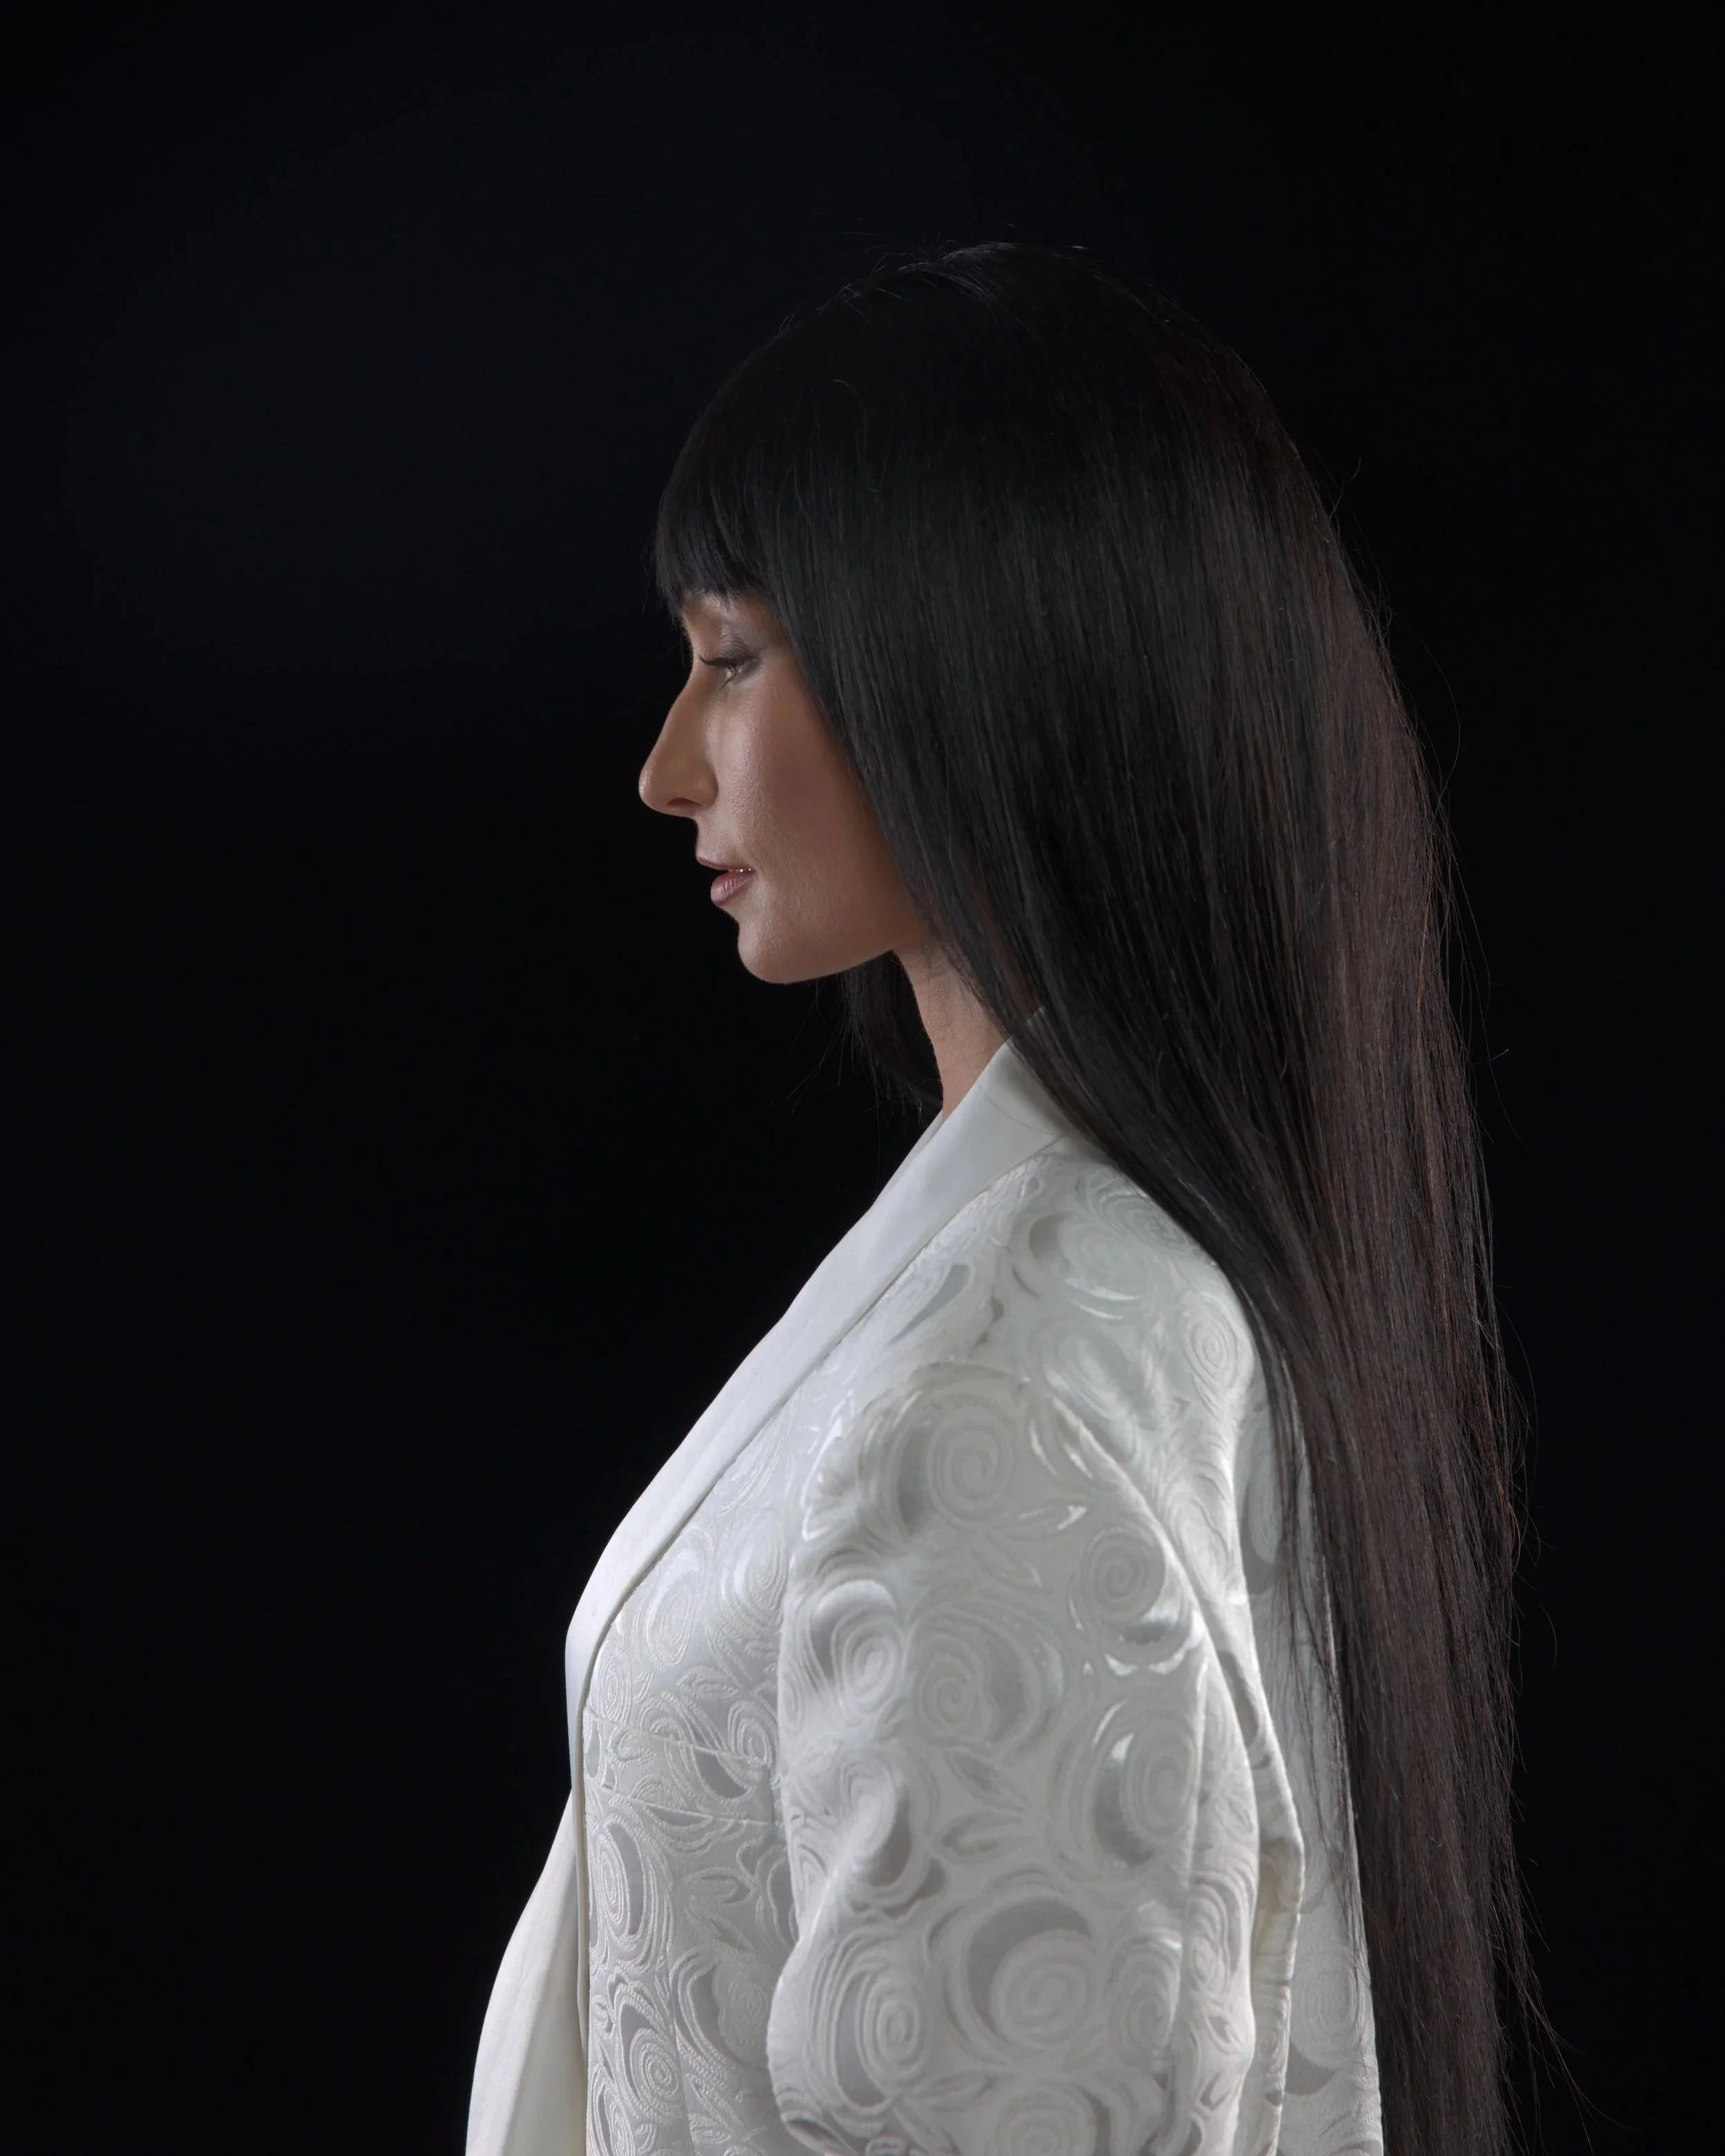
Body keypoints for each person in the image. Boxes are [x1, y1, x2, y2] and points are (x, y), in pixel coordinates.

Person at [466, 242, 1533, 2156]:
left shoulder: (1001, 1394)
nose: (663, 768)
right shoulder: (1073, 1281)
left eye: (730, 657)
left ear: (960, 655)